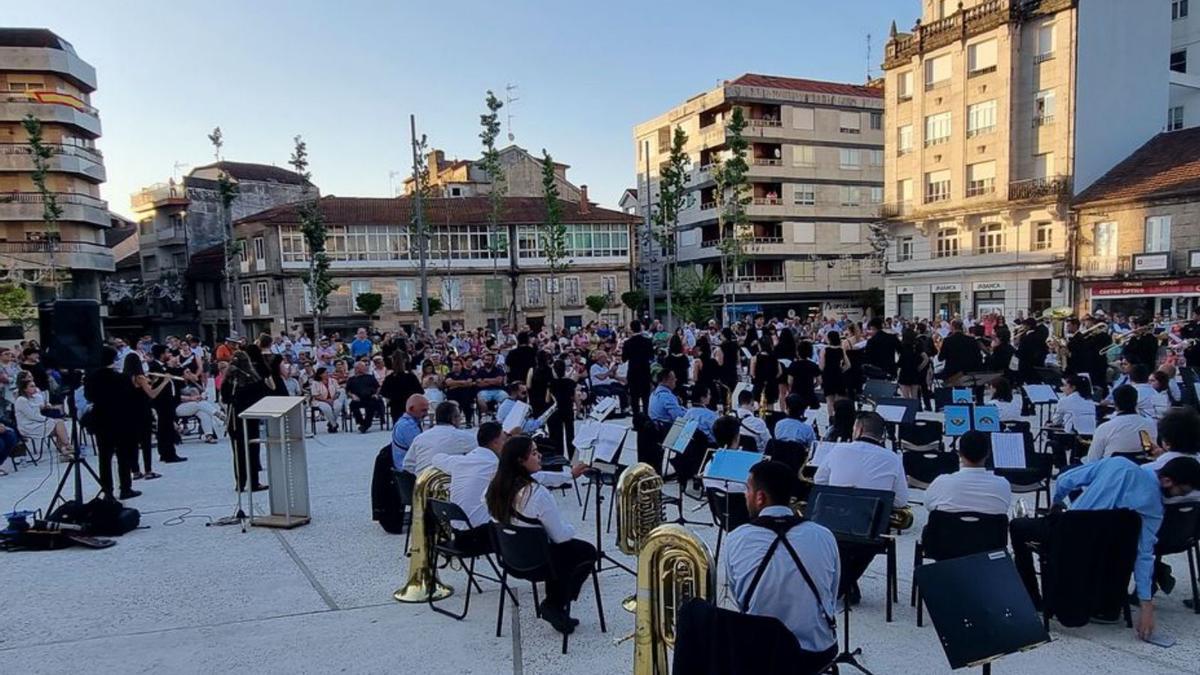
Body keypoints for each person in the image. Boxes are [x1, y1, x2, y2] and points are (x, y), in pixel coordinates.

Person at [1009, 455, 1200, 639]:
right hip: (1104, 553)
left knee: (1018, 527)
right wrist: (1146, 603)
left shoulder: (1118, 464)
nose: (1181, 496)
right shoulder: (1154, 509)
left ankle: (1032, 599)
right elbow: (1145, 554)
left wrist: (1057, 502)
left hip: (1067, 537)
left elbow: (1065, 480)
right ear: (1166, 481)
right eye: (1182, 491)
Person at [724, 460, 840, 672]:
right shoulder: (824, 536)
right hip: (815, 653)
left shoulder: (736, 538)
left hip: (757, 652)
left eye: (747, 489)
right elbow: (831, 593)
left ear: (760, 497)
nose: (745, 495)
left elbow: (738, 595)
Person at [485, 435, 599, 634]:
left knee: (563, 552)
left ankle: (554, 604)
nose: (540, 456)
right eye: (535, 453)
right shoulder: (537, 495)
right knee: (586, 552)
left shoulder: (494, 488)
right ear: (521, 460)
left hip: (511, 561)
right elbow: (560, 536)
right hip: (540, 564)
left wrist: (568, 475)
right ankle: (555, 604)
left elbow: (542, 476)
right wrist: (572, 527)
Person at [433, 422, 586, 555]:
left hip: (457, 533)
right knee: (536, 521)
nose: (507, 443)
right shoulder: (495, 465)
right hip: (481, 535)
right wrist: (569, 475)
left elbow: (436, 458)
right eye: (505, 440)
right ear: (494, 443)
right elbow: (538, 477)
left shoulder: (460, 461)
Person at [813, 411, 908, 602]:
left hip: (834, 524)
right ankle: (846, 582)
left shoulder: (839, 450)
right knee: (866, 541)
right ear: (881, 435)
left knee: (840, 543)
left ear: (859, 429)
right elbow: (901, 501)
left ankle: (842, 583)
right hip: (869, 530)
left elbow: (819, 480)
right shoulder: (892, 459)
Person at [924, 430, 1012, 514]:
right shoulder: (1003, 484)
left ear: (959, 453)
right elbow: (1004, 509)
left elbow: (928, 505)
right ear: (988, 454)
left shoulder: (941, 481)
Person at [221, 351, 270, 492]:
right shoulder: (252, 379)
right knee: (252, 451)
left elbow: (224, 398)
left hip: (234, 419)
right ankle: (254, 482)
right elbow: (262, 394)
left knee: (238, 452)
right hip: (249, 418)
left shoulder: (228, 380)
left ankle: (240, 482)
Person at [1086, 384, 1157, 462]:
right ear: (1136, 402)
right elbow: (1152, 453)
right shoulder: (1150, 424)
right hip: (1141, 470)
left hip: (1112, 471)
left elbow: (1092, 460)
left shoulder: (1104, 428)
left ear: (1115, 404)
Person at [402, 400, 475, 474]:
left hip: (423, 482)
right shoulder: (464, 437)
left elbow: (408, 465)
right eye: (460, 416)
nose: (461, 419)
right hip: (451, 484)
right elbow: (482, 458)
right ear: (453, 419)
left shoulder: (419, 438)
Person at [147, 345, 186, 463]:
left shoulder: (162, 366)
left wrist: (177, 365)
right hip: (161, 401)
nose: (169, 354)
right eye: (167, 352)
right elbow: (156, 383)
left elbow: (176, 373)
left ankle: (164, 452)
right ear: (161, 354)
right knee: (166, 427)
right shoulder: (154, 367)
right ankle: (169, 453)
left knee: (165, 427)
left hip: (168, 400)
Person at [176, 377, 222, 443]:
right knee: (200, 404)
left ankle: (209, 436)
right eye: (187, 372)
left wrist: (194, 382)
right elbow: (177, 397)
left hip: (193, 406)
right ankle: (218, 415)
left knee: (203, 412)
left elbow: (203, 391)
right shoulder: (177, 384)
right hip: (178, 407)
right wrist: (192, 398)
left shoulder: (191, 384)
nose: (189, 374)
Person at [380, 352, 422, 425]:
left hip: (396, 406)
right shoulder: (411, 377)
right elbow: (420, 391)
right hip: (410, 405)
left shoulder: (390, 378)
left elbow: (384, 392)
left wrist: (390, 398)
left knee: (398, 426)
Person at [623, 320, 654, 415]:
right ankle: (646, 419)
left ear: (631, 329)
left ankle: (636, 420)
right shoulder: (648, 341)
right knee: (645, 398)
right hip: (645, 371)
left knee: (634, 399)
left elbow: (624, 358)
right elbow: (651, 356)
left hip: (633, 372)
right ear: (641, 328)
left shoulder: (627, 343)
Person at [391, 394, 429, 470]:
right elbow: (421, 450)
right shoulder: (407, 427)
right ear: (411, 409)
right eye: (423, 410)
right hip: (408, 471)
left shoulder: (407, 422)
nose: (426, 414)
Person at [346, 361, 385, 433]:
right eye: (362, 367)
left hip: (370, 397)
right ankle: (361, 423)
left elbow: (378, 387)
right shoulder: (352, 379)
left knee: (372, 404)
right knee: (353, 406)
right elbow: (348, 391)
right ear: (356, 368)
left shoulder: (370, 377)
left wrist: (376, 394)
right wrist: (352, 395)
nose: (365, 368)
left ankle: (366, 425)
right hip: (357, 398)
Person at [818, 331, 849, 417]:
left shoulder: (825, 350)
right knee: (838, 400)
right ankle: (839, 417)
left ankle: (831, 419)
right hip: (838, 374)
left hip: (828, 375)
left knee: (829, 400)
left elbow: (821, 366)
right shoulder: (840, 349)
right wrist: (841, 370)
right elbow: (848, 365)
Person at [309, 367, 346, 433]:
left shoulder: (333, 381)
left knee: (338, 406)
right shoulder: (315, 383)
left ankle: (331, 423)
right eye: (325, 373)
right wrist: (326, 400)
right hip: (320, 400)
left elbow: (338, 391)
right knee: (326, 408)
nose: (327, 374)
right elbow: (315, 395)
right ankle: (334, 424)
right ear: (320, 374)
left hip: (333, 399)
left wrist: (332, 399)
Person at [474, 351, 508, 417]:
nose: (487, 361)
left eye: (489, 360)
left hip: (498, 391)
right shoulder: (480, 371)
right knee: (480, 399)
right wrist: (493, 381)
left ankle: (501, 416)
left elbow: (499, 382)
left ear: (493, 361)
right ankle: (485, 416)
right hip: (484, 391)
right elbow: (479, 384)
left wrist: (485, 380)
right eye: (485, 360)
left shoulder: (498, 370)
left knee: (506, 398)